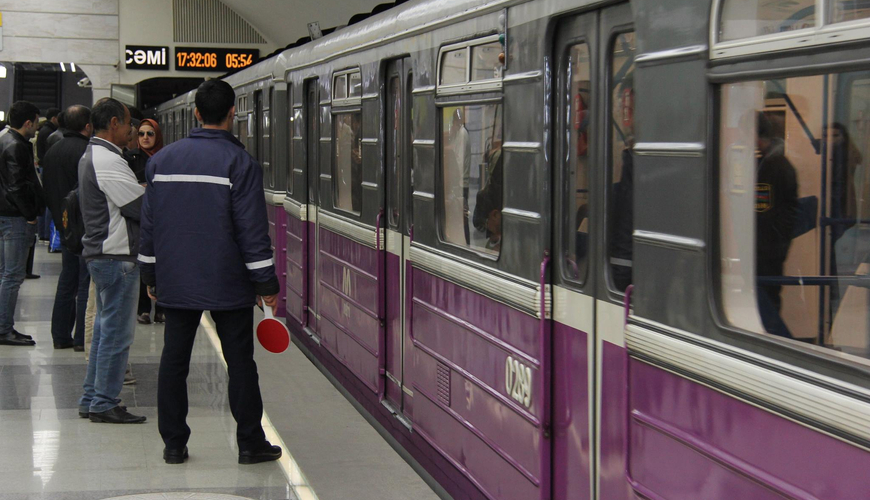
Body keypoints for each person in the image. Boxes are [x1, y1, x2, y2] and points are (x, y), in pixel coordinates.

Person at [139, 79, 281, 465]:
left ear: (196, 114)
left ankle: (174, 444)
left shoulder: (161, 162)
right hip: (228, 281)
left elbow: (149, 226)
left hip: (177, 279)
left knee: (173, 361)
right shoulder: (241, 164)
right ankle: (250, 442)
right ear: (233, 114)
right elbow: (252, 231)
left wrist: (149, 275)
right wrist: (266, 283)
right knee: (240, 363)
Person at [77, 98, 146, 424]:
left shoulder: (96, 155)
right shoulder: (107, 159)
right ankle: (105, 402)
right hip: (116, 256)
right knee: (117, 337)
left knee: (105, 333)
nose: (133, 129)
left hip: (104, 256)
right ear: (114, 123)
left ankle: (91, 397)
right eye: (129, 122)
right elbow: (137, 207)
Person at [41, 105, 92, 350]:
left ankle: (60, 335)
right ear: (88, 126)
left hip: (63, 226)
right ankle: (82, 337)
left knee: (67, 281)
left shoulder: (53, 150)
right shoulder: (86, 152)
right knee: (84, 282)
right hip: (83, 226)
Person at [0, 101, 44, 346]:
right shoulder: (17, 146)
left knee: (4, 274)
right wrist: (30, 214)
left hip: (3, 214)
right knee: (13, 276)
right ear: (28, 122)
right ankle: (4, 328)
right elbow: (17, 185)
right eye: (36, 122)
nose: (37, 127)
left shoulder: (3, 138)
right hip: (14, 216)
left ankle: (3, 324)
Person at [755, 112, 799, 338]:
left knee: (767, 303)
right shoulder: (767, 163)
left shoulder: (775, 167)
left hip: (766, 252)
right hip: (768, 249)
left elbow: (765, 213)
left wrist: (774, 249)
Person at [124, 118, 165, 324]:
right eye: (141, 134)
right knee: (144, 262)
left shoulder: (165, 157)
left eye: (150, 134)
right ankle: (143, 309)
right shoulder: (130, 158)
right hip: (140, 217)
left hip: (162, 217)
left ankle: (161, 308)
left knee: (163, 262)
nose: (145, 138)